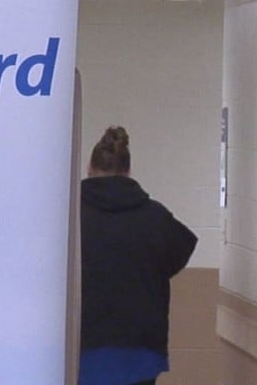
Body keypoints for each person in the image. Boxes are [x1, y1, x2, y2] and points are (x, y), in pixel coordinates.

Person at [79, 126, 198, 385]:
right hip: (141, 350)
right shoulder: (156, 218)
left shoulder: (69, 218)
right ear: (128, 171)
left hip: (83, 347)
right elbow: (182, 249)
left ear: (89, 168)